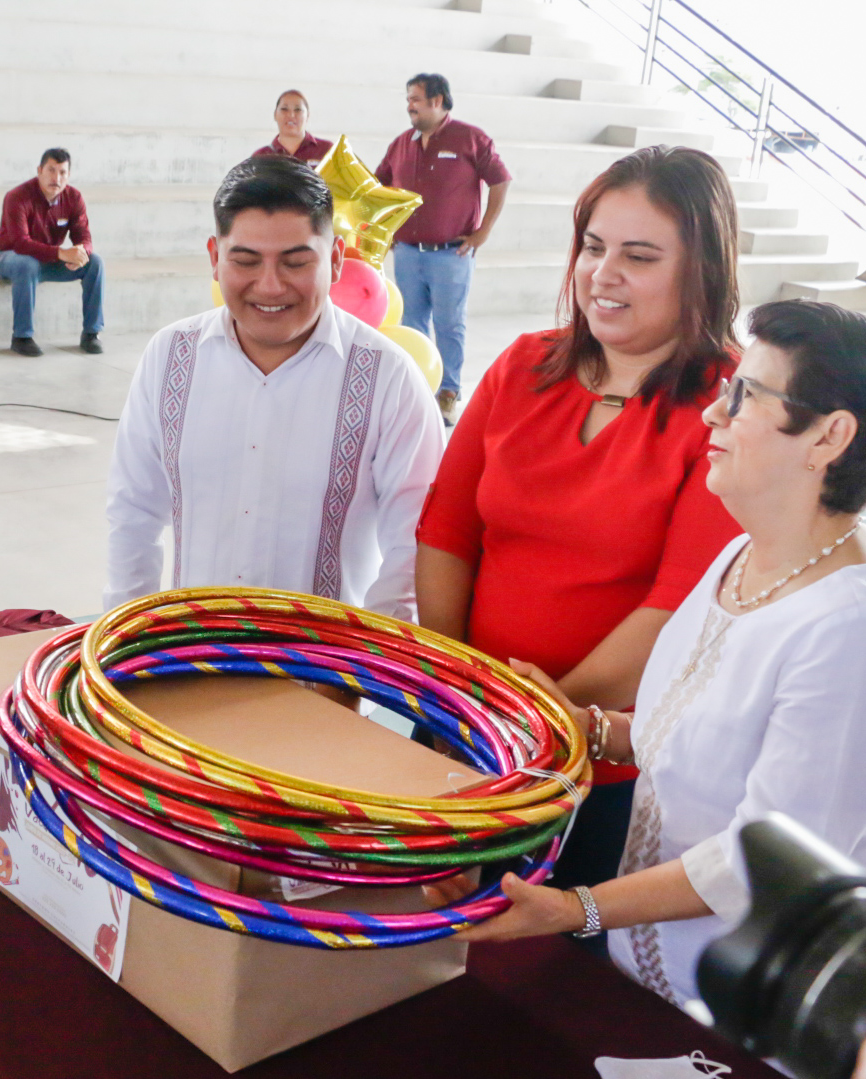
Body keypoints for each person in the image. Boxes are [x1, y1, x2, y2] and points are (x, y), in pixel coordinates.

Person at [456, 300, 866, 1012]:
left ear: (829, 436)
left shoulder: (856, 635)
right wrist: (580, 722)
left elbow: (764, 860)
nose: (712, 416)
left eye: (745, 396)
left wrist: (573, 910)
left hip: (753, 1000)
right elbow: (696, 735)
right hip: (650, 967)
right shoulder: (743, 554)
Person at [415, 146, 744, 895]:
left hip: (597, 760)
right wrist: (452, 686)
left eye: (638, 255)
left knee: (545, 974)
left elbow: (675, 606)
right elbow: (445, 531)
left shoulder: (727, 406)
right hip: (460, 720)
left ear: (700, 269)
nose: (602, 273)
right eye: (592, 247)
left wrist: (542, 718)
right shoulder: (523, 364)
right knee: (417, 933)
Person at [104, 155, 442, 619]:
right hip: (191, 662)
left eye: (296, 262)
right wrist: (127, 642)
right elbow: (133, 515)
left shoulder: (389, 379)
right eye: (245, 261)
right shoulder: (170, 357)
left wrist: (362, 672)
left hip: (328, 677)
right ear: (214, 258)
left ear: (337, 259)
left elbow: (414, 552)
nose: (269, 286)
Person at [377, 73, 512, 422]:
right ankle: (418, 389)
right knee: (411, 324)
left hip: (452, 254)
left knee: (450, 324)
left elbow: (500, 181)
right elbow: (379, 187)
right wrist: (386, 230)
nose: (409, 105)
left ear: (437, 101)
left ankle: (448, 392)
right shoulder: (401, 144)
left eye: (415, 99)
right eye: (408, 98)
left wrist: (483, 232)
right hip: (407, 253)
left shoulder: (470, 138)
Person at [0, 148, 105, 357]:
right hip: (10, 257)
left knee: (94, 263)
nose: (56, 178)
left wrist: (81, 253)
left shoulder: (73, 197)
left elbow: (84, 237)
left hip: (48, 260)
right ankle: (22, 337)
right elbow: (20, 243)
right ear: (39, 170)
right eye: (51, 170)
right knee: (27, 264)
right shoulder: (17, 197)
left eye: (62, 172)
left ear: (68, 175)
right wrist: (62, 254)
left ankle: (92, 334)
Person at [252, 89, 332, 165]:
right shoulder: (261, 157)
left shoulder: (327, 150)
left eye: (298, 109)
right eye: (284, 109)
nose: (291, 115)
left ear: (307, 115)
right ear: (275, 115)